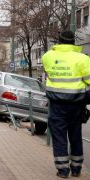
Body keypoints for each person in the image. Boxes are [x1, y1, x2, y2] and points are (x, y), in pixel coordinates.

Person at [42, 30, 90, 178]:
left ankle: (63, 170)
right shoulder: (83, 58)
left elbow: (50, 75)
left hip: (56, 104)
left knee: (59, 137)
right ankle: (76, 169)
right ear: (73, 42)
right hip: (77, 104)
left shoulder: (47, 57)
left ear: (59, 41)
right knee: (75, 135)